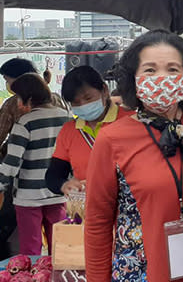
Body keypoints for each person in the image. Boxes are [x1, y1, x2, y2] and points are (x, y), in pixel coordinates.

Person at [84, 30, 183, 282]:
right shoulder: (113, 138)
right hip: (139, 274)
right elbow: (98, 220)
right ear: (133, 79)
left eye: (173, 69)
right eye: (150, 70)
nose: (162, 77)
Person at [0, 58, 66, 261]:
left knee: (28, 245)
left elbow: (10, 159)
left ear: (24, 95)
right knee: (60, 243)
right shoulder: (62, 110)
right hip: (57, 190)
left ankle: (22, 280)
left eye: (7, 79)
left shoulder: (22, 117)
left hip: (27, 194)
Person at [45, 66, 133, 196]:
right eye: (75, 102)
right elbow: (54, 175)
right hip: (89, 209)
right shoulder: (69, 130)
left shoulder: (131, 122)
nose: (82, 105)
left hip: (129, 209)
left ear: (104, 90)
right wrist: (64, 185)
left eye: (88, 98)